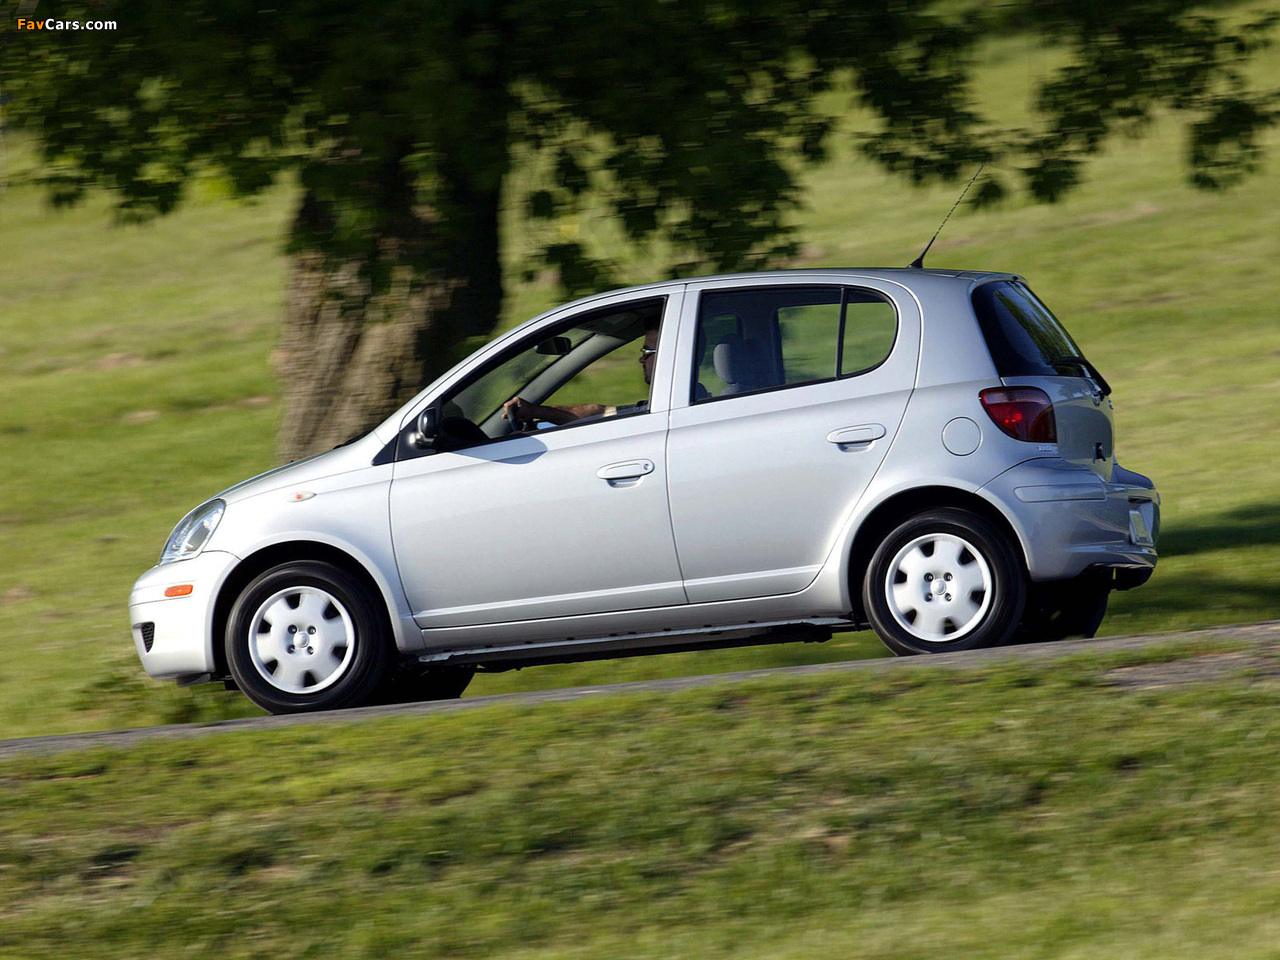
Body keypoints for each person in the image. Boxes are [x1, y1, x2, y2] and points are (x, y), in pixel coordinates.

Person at [502, 318, 659, 428]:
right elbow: (603, 413)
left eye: (646, 351)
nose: (641, 359)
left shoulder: (672, 409)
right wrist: (537, 411)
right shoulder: (660, 405)